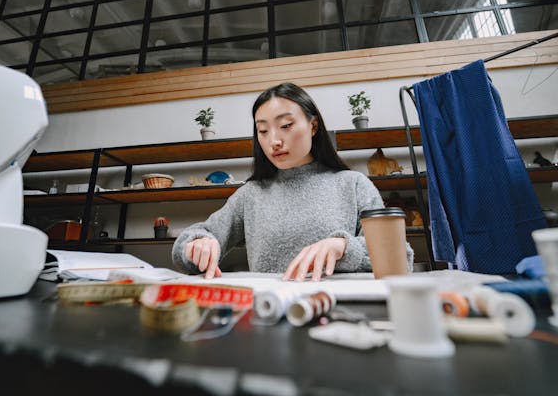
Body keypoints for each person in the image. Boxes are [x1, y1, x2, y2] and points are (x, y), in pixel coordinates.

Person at [172, 82, 414, 281]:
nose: (273, 141)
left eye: (285, 126)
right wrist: (198, 245)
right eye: (263, 131)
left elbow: (402, 257)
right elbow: (193, 239)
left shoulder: (352, 184)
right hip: (271, 317)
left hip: (342, 315)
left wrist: (343, 247)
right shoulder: (251, 194)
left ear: (313, 126)